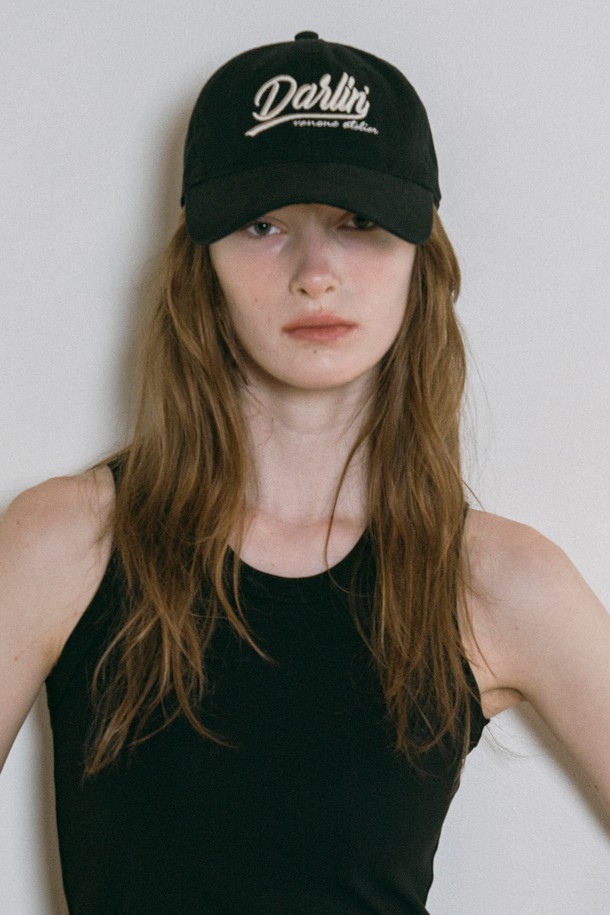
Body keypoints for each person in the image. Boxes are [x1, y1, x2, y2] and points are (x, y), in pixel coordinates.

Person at [1, 30, 609, 915]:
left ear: (420, 257)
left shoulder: (494, 578)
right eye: (265, 224)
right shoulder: (68, 541)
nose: (316, 275)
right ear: (203, 259)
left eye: (359, 222)